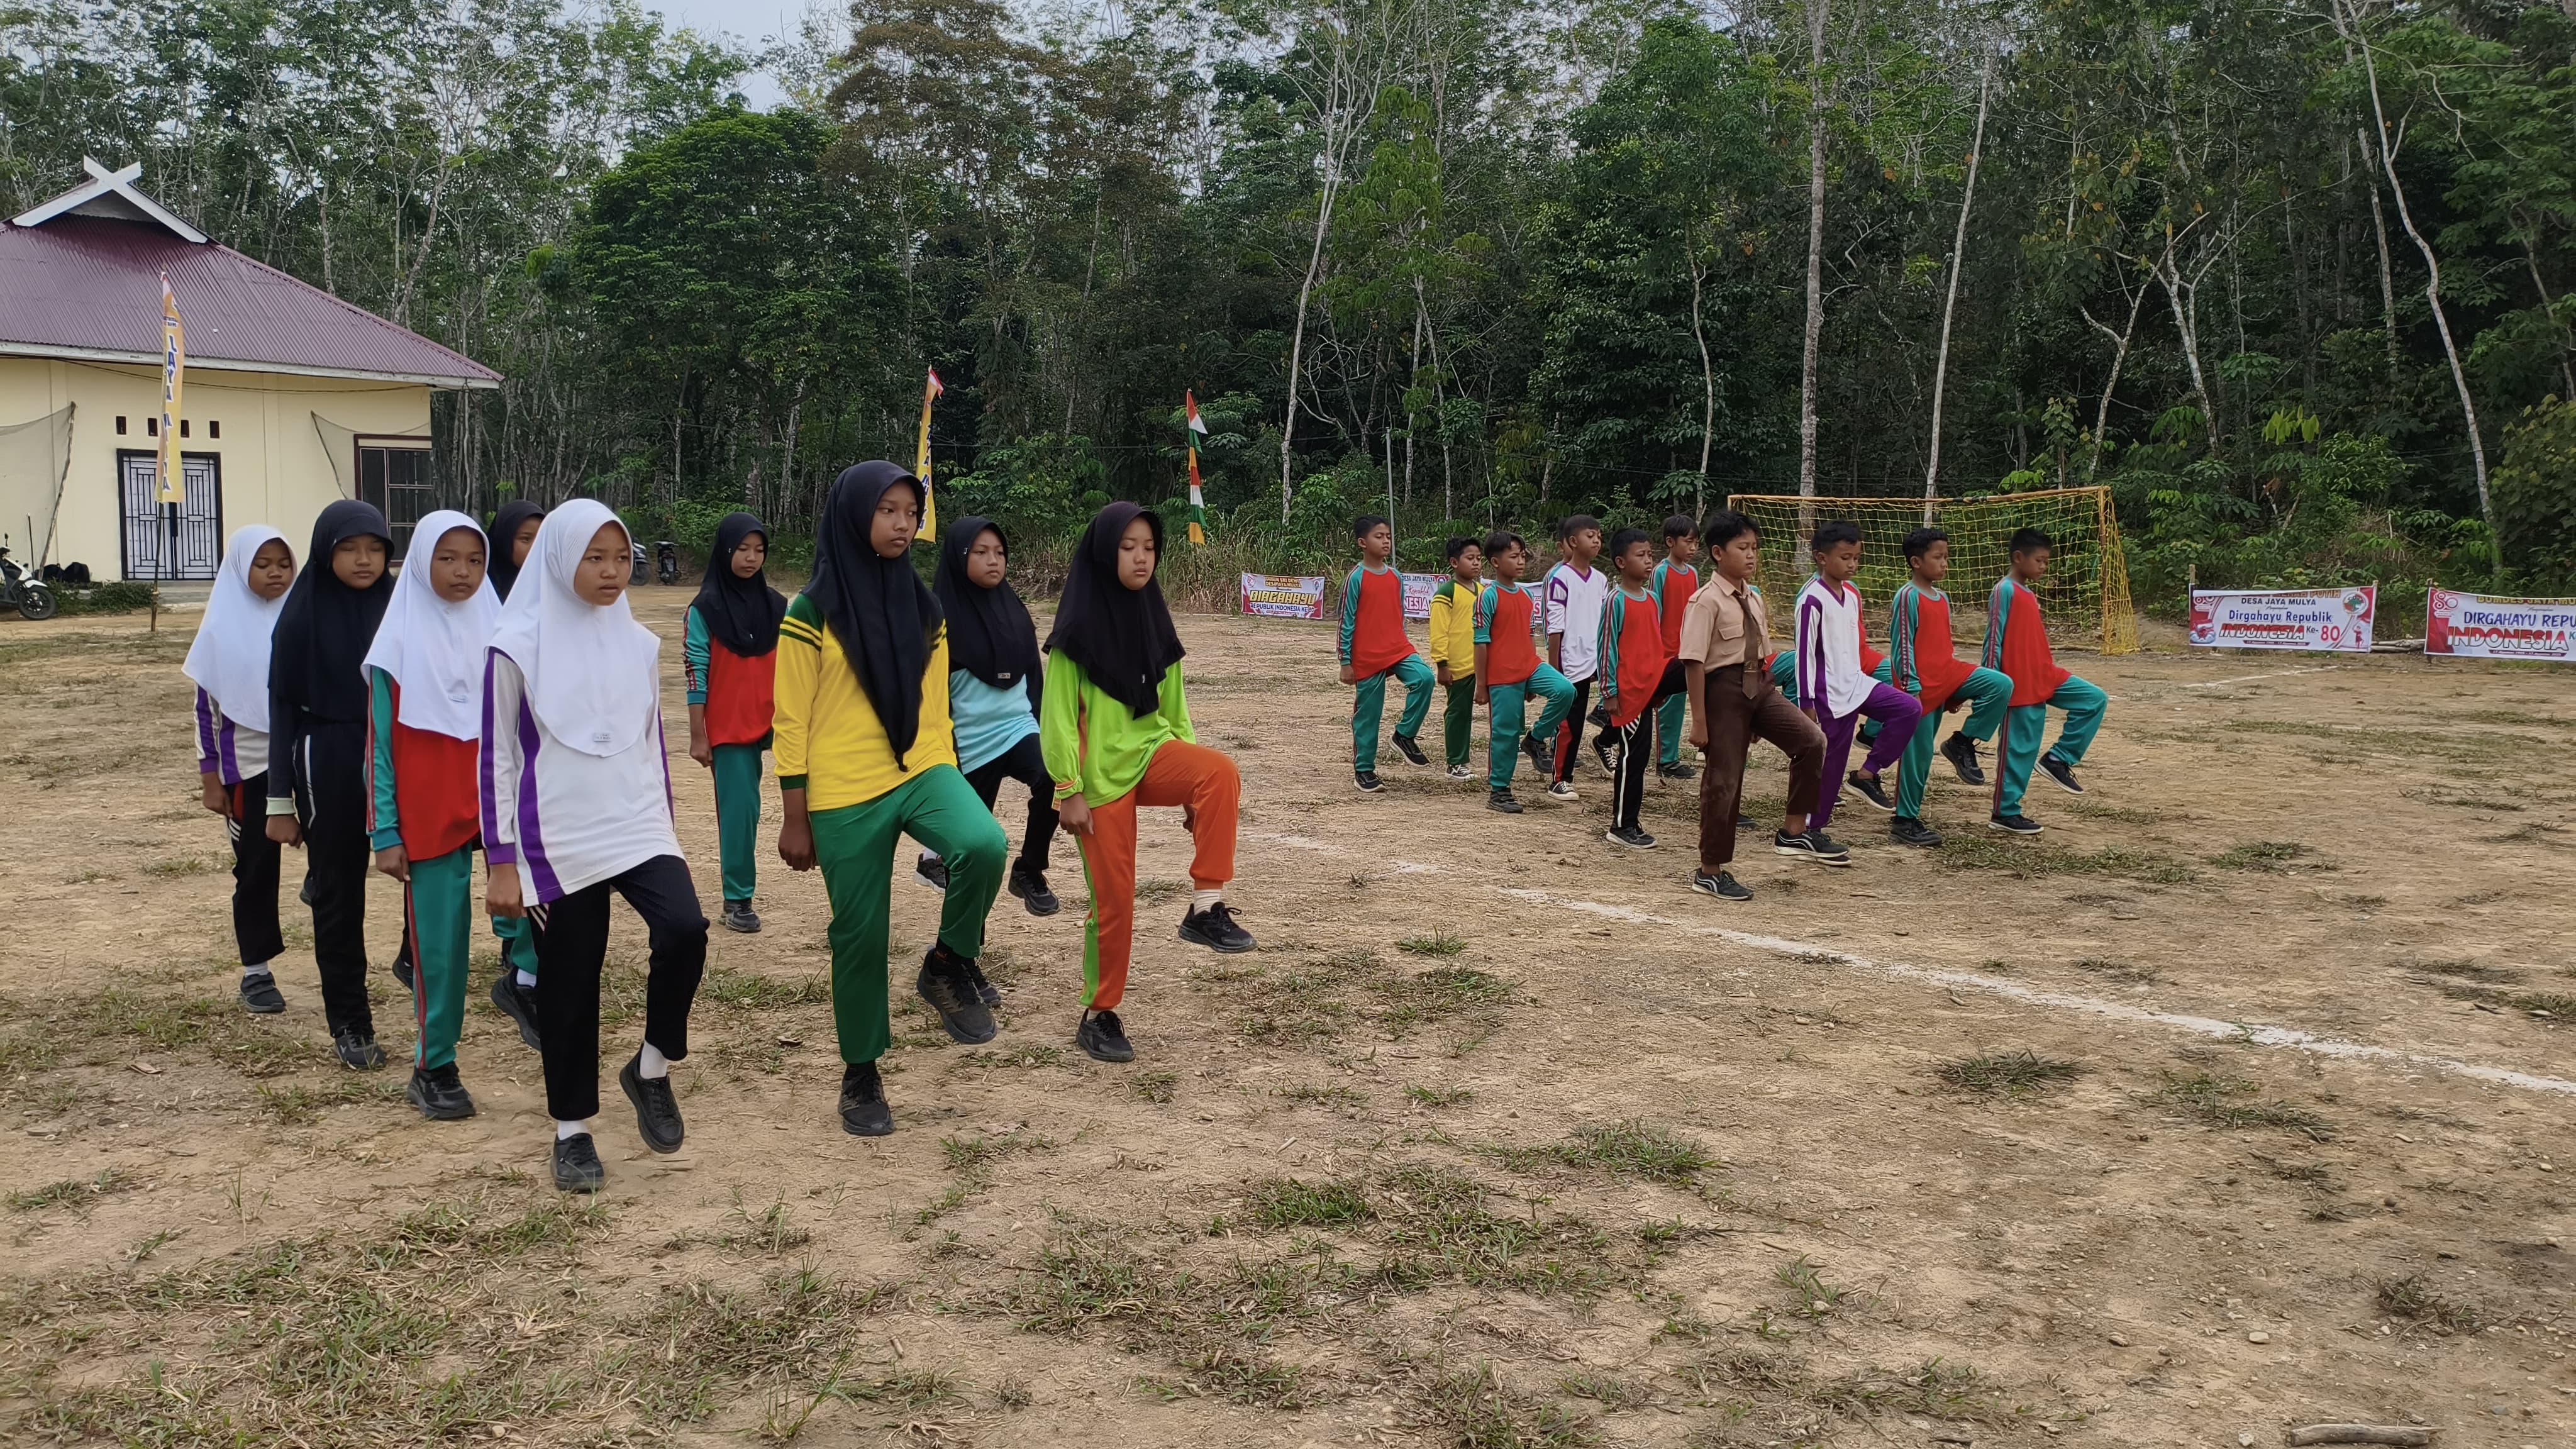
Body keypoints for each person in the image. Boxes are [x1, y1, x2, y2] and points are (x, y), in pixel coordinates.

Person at [774, 464, 1007, 1139]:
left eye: (911, 512)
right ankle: (861, 1071)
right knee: (859, 935)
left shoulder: (925, 607)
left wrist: (948, 777)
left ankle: (945, 963)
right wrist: (795, 814)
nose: (903, 525)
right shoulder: (809, 613)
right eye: (888, 511)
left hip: (920, 766)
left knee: (984, 844)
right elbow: (790, 720)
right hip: (842, 791)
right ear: (854, 516)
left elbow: (936, 711)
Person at [482, 499, 708, 1192]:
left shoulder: (639, 642)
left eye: (621, 558)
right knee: (571, 985)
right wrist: (500, 860)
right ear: (559, 557)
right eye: (595, 558)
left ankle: (650, 1068)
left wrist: (665, 821)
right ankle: (572, 1131)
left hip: (635, 820)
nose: (613, 573)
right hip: (558, 836)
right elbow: (496, 758)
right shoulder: (513, 645)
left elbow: (650, 742)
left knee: (686, 929)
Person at [1041, 502, 1253, 1065]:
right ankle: (1099, 1012)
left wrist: (1190, 783)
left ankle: (1205, 907)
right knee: (1114, 903)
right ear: (1105, 551)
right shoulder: (1075, 634)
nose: (1141, 558)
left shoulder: (1155, 617)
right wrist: (1068, 789)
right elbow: (1058, 717)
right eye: (1128, 547)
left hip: (1151, 753)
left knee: (1219, 772)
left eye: (1150, 548)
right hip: (1099, 782)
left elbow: (1174, 706)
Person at [362, 511, 500, 1119]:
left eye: (474, 559)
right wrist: (385, 829)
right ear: (420, 561)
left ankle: (531, 1003)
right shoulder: (395, 645)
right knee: (441, 948)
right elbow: (380, 749)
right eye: (447, 558)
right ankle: (434, 1063)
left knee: (535, 927)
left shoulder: (501, 630)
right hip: (429, 810)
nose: (463, 572)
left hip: (497, 806)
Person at [267, 501, 396, 1069]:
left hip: (397, 754)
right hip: (328, 756)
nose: (364, 560)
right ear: (326, 552)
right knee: (342, 893)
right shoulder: (301, 619)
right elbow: (282, 710)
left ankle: (418, 971)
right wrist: (279, 802)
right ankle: (350, 1019)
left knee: (429, 871)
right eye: (349, 548)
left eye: (375, 548)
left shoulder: (401, 608)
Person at [916, 515, 1062, 919]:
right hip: (967, 745)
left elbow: (1033, 672)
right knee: (974, 856)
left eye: (999, 553)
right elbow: (926, 693)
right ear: (959, 557)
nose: (993, 561)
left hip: (1017, 729)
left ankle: (1030, 869)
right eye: (980, 553)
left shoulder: (1014, 608)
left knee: (1057, 776)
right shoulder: (934, 616)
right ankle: (958, 954)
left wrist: (1043, 723)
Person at [1680, 510, 1831, 899]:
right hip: (1723, 692)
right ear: (1718, 553)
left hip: (1759, 686)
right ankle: (1710, 870)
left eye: (1755, 548)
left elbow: (1761, 653)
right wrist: (1699, 721)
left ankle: (1794, 831)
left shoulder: (1754, 597)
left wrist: (1760, 707)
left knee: (1811, 740)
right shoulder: (1705, 601)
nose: (1751, 555)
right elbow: (1694, 663)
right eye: (1742, 548)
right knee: (1724, 780)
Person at [187, 525, 295, 1015]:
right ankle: (257, 971)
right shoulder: (220, 630)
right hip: (247, 767)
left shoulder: (301, 617)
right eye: (263, 564)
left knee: (334, 857)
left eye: (283, 563)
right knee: (255, 870)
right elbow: (206, 710)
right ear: (240, 568)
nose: (275, 572)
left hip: (302, 760)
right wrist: (211, 777)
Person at [684, 512, 787, 935]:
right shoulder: (704, 609)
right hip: (729, 725)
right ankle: (738, 898)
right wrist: (697, 735)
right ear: (725, 550)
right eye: (742, 549)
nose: (751, 558)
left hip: (779, 719)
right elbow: (696, 670)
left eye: (759, 550)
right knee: (741, 810)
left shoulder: (778, 605)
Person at [1791, 521, 1921, 848]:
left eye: (1856, 558)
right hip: (1827, 694)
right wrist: (1806, 703)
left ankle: (1868, 773)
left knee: (1908, 708)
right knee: (1830, 763)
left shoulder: (1851, 595)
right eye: (1845, 557)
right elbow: (1804, 655)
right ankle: (1810, 828)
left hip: (1856, 684)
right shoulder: (1811, 600)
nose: (1852, 564)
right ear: (1822, 558)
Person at [1885, 527, 2013, 848]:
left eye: (1947, 557)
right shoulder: (1908, 596)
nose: (1945, 564)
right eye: (1938, 557)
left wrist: (1955, 692)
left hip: (1949, 676)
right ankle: (1905, 821)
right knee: (1918, 756)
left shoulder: (1942, 598)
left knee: (1999, 684)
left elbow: (1944, 645)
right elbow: (1902, 647)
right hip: (1920, 687)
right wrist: (1910, 689)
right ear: (1916, 562)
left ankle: (1962, 743)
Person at [1982, 528, 2111, 835]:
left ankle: (2057, 759)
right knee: (2019, 748)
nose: (2044, 567)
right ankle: (2005, 813)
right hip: (2018, 680)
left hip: (2044, 672)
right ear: (2018, 558)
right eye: (2039, 561)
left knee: (2094, 699)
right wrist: (1989, 682)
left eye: (2046, 561)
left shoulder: (2027, 591)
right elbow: (1993, 637)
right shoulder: (2005, 590)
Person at [1596, 528, 1689, 849]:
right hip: (1629, 693)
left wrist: (1662, 684)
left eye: (1650, 555)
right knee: (1634, 759)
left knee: (1695, 663)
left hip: (1651, 685)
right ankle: (1622, 825)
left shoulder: (1651, 599)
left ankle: (1629, 823)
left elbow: (1653, 646)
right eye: (1641, 556)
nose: (1649, 561)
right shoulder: (1615, 601)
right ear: (1621, 562)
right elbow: (1606, 647)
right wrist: (1609, 693)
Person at [1472, 530, 1574, 814]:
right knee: (1504, 733)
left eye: (1522, 556)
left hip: (1528, 665)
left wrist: (1532, 669)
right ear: (1495, 561)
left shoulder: (1526, 595)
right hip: (1502, 675)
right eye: (1513, 556)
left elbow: (1529, 634)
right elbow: (1480, 644)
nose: (1520, 562)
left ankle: (1535, 738)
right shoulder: (1488, 598)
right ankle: (1500, 790)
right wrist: (1482, 685)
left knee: (1566, 691)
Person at [1340, 514, 1433, 791]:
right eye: (1378, 537)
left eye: (1388, 537)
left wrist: (1402, 640)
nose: (1385, 541)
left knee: (1425, 679)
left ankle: (1404, 735)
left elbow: (1398, 614)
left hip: (1397, 648)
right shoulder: (1356, 578)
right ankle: (1365, 771)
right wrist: (1345, 661)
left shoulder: (1395, 576)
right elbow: (1346, 621)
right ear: (1362, 543)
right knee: (1369, 714)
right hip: (1367, 655)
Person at [1539, 514, 1609, 799]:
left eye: (1598, 536)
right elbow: (1555, 628)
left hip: (1595, 660)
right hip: (1570, 663)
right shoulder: (1560, 578)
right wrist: (1555, 671)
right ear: (1572, 542)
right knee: (1570, 724)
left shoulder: (1602, 580)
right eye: (1590, 535)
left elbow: (1605, 622)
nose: (1596, 541)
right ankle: (1560, 778)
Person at [1425, 536, 1485, 780]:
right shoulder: (1447, 592)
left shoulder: (1483, 591)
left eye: (1479, 559)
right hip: (1458, 667)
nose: (1476, 564)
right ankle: (1456, 763)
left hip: (1482, 664)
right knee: (1458, 713)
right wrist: (1442, 664)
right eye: (1470, 559)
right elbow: (1439, 632)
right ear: (1454, 562)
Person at [1651, 516, 1701, 780]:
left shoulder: (1692, 574)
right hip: (1665, 651)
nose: (1693, 548)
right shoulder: (1661, 572)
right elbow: (1653, 611)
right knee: (1668, 705)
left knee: (1681, 703)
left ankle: (1671, 757)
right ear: (1671, 542)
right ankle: (1666, 760)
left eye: (1696, 543)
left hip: (1687, 649)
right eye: (1688, 542)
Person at [487, 500, 545, 601]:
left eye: (541, 538)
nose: (536, 547)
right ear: (505, 540)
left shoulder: (549, 587)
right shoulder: (481, 589)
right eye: (526, 539)